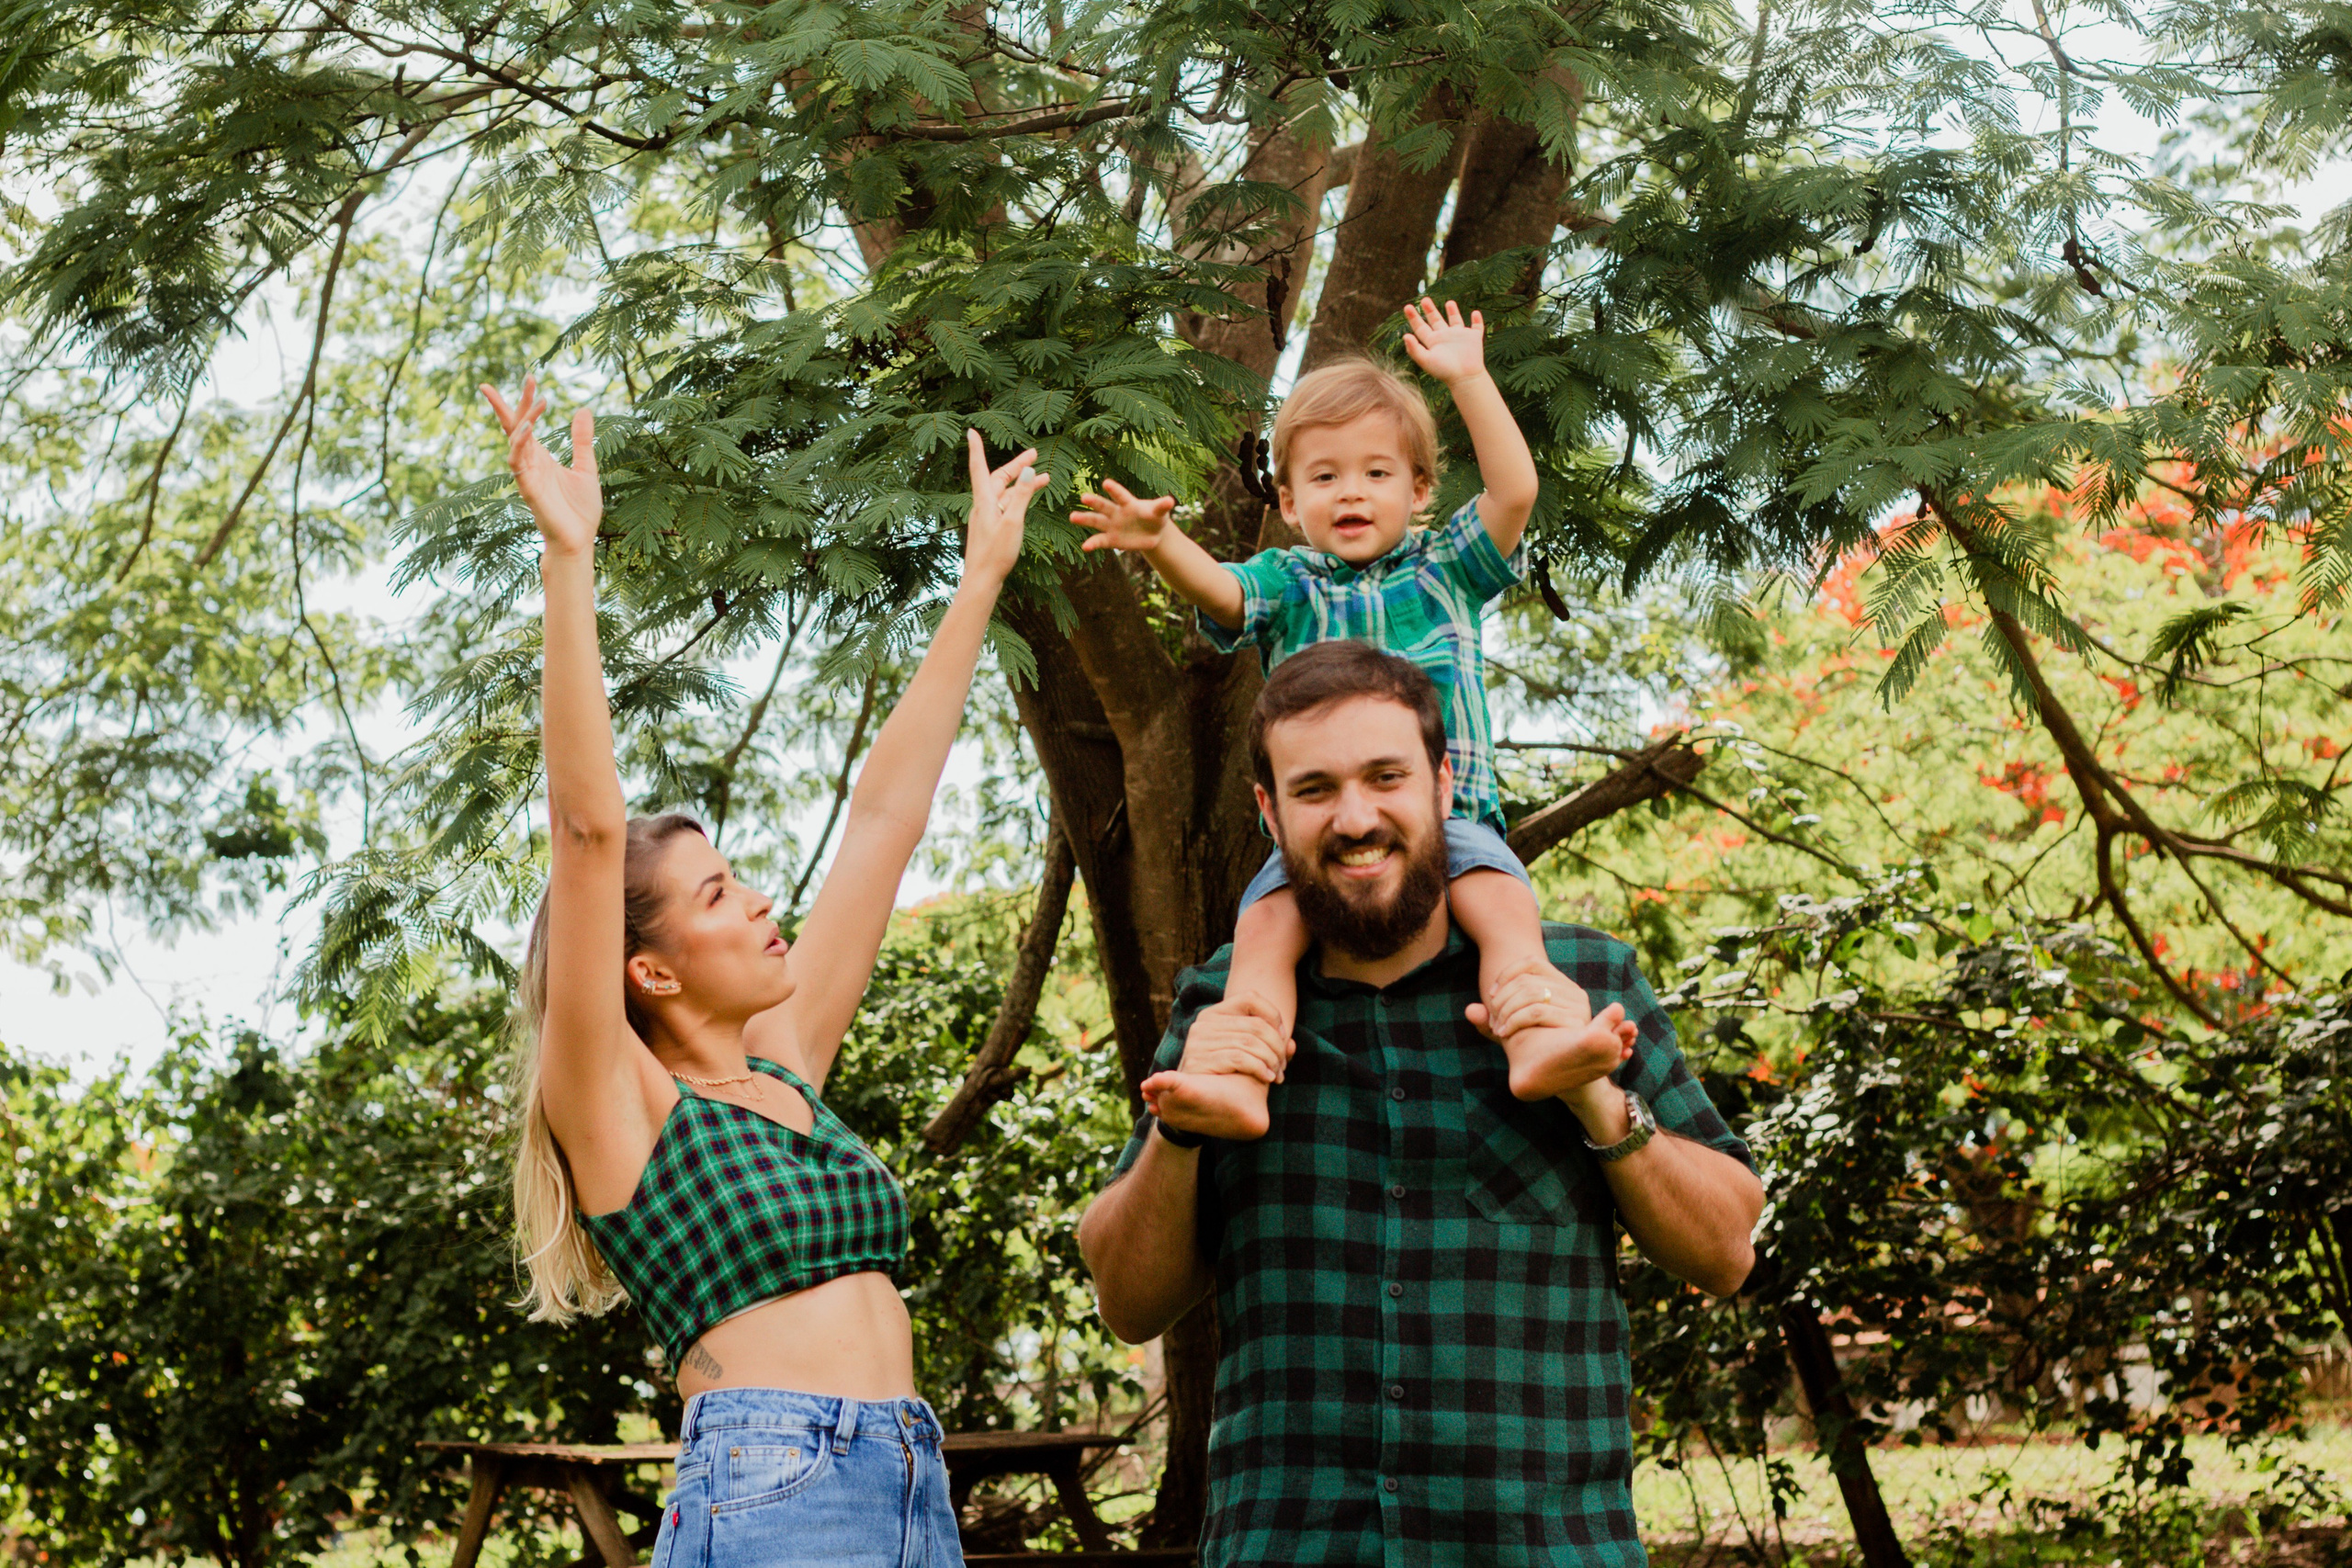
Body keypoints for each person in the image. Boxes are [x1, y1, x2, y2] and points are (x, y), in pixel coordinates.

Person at [487, 375, 1047, 1568]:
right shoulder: (621, 1111)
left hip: (909, 1472)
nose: (758, 902)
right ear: (646, 967)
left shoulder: (786, 1063)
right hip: (773, 1480)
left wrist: (979, 581)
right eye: (715, 894)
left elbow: (888, 814)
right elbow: (588, 833)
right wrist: (567, 558)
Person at [1078, 641, 1765, 1567]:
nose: (1356, 817)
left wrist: (1597, 1101)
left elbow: (1725, 1252)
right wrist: (1178, 1131)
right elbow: (1127, 1300)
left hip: (1543, 1548)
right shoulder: (1225, 1011)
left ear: (1444, 785)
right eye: (1314, 789)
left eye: (1386, 777)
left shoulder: (1582, 984)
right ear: (1268, 813)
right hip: (1286, 1545)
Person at [1072, 297, 1618, 1141]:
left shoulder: (1446, 571)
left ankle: (1538, 1037)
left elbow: (1515, 489)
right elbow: (1225, 591)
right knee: (1263, 931)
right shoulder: (1292, 582)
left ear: (1419, 489)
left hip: (1452, 819)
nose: (1351, 492)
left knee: (1504, 908)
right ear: (1290, 502)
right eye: (1324, 477)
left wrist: (1469, 378)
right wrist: (1160, 544)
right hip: (1319, 843)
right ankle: (1237, 1078)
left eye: (1375, 472)